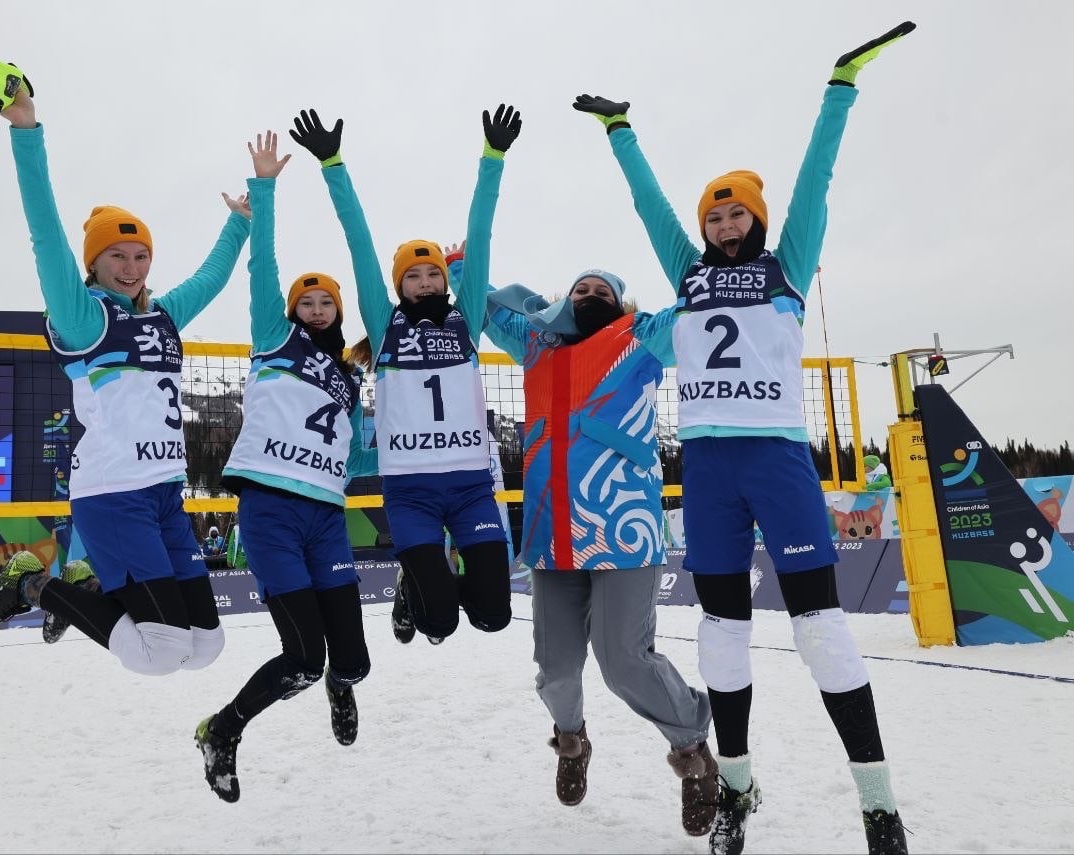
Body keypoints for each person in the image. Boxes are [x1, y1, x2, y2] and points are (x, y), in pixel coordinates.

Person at [573, 21, 915, 855]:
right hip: (710, 467)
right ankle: (735, 787)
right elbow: (652, 209)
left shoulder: (787, 264)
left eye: (736, 215)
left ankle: (878, 804)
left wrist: (841, 87)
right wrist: (620, 132)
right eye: (715, 217)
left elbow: (815, 181)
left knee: (821, 631)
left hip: (777, 459)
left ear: (756, 219)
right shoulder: (687, 273)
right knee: (720, 636)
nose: (725, 227)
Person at [0, 50, 250, 676]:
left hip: (165, 494)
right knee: (160, 654)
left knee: (206, 647)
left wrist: (239, 223)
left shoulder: (162, 315)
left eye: (140, 256)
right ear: (95, 263)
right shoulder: (86, 318)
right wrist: (27, 130)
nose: (130, 267)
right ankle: (33, 586)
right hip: (113, 493)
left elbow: (212, 277)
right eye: (117, 256)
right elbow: (46, 237)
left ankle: (80, 587)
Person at [467, 241, 717, 832]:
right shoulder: (536, 344)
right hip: (552, 534)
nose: (590, 297)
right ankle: (571, 740)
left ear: (621, 303)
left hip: (624, 531)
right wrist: (457, 268)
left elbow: (695, 307)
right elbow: (481, 304)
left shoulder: (641, 338)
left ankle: (693, 750)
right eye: (581, 290)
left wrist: (723, 271)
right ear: (564, 301)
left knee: (624, 663)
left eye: (603, 291)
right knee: (555, 670)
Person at [288, 104, 521, 646]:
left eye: (432, 273)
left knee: (493, 615)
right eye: (412, 276)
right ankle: (414, 589)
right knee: (438, 622)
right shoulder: (385, 325)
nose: (424, 282)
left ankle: (425, 582)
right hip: (411, 489)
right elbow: (360, 243)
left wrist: (493, 159)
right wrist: (333, 165)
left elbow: (481, 236)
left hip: (470, 485)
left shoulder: (466, 322)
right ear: (398, 287)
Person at [194, 131, 376, 803]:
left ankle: (340, 687)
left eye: (327, 302)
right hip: (270, 510)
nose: (317, 308)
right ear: (293, 309)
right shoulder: (273, 337)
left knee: (351, 662)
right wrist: (265, 189)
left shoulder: (350, 375)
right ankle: (222, 730)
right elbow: (263, 266)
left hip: (326, 514)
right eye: (308, 300)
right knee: (302, 658)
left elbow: (354, 453)